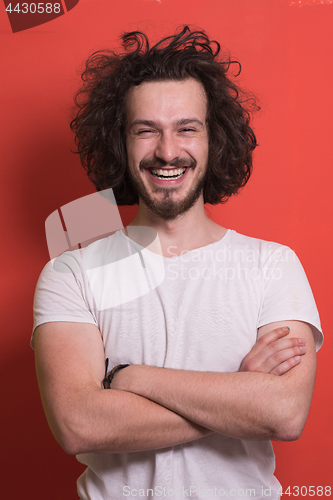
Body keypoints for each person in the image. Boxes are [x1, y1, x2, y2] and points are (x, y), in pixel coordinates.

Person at [32, 26, 322, 500]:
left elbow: (284, 414)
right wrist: (239, 395)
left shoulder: (273, 265)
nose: (168, 151)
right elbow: (78, 424)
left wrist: (127, 377)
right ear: (120, 143)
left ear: (215, 139)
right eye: (146, 130)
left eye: (187, 128)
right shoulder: (70, 274)